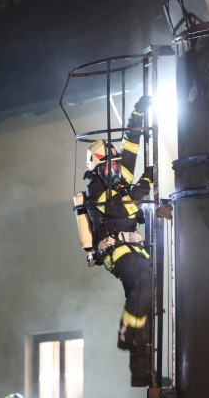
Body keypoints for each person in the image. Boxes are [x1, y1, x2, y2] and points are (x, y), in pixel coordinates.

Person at [74, 95, 154, 387]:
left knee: (146, 303)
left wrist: (137, 112)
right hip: (116, 250)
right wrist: (144, 185)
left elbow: (131, 144)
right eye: (110, 166)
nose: (117, 170)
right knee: (145, 283)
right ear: (98, 169)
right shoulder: (96, 191)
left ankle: (141, 371)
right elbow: (125, 207)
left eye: (117, 164)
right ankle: (125, 332)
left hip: (134, 246)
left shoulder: (119, 175)